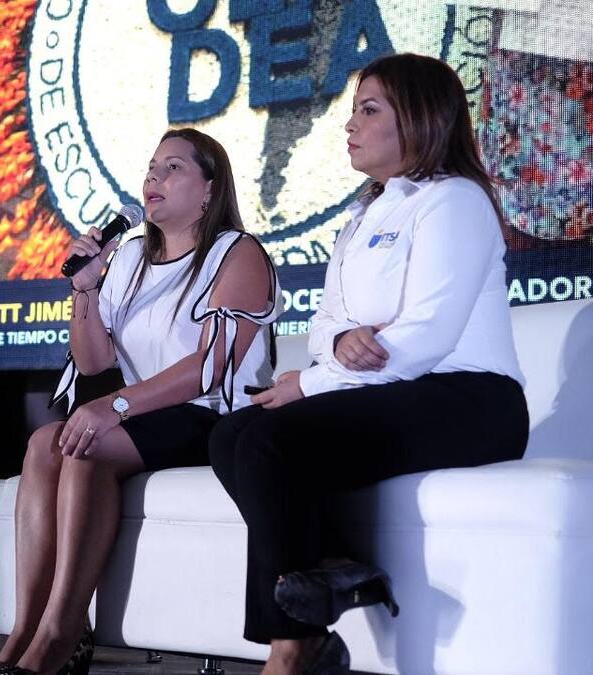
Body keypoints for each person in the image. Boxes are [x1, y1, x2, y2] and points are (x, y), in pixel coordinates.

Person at [208, 53, 529, 675]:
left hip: (473, 402)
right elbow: (324, 325)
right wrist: (342, 342)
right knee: (230, 434)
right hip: (393, 393)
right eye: (354, 109)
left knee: (270, 439)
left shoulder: (455, 200)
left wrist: (313, 382)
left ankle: (293, 646)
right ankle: (338, 570)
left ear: (419, 118)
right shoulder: (362, 215)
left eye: (369, 109)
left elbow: (426, 336)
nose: (349, 124)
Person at [0, 128, 282, 675]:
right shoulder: (132, 255)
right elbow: (94, 362)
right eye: (151, 168)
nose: (153, 179)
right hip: (147, 415)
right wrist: (86, 288)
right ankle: (25, 629)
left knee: (87, 442)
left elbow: (211, 368)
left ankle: (60, 634)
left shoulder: (237, 253)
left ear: (210, 189)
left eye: (173, 168)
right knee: (45, 442)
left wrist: (114, 406)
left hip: (218, 417)